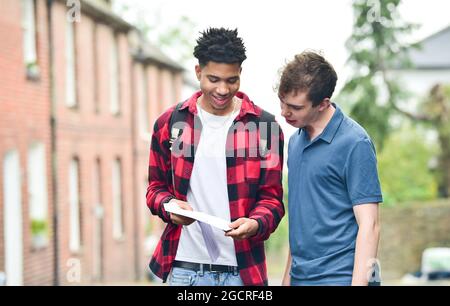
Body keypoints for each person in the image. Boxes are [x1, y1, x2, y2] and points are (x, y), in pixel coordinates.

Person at [146, 28, 284, 286]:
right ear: (198, 72)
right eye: (213, 79)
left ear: (240, 73)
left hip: (242, 273)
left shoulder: (265, 127)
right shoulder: (171, 123)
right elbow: (155, 189)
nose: (222, 89)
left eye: (231, 80)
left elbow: (273, 200)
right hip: (184, 269)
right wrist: (170, 206)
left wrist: (255, 223)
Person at [279, 51, 383, 286]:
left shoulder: (355, 143)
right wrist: (287, 279)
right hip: (301, 278)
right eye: (282, 102)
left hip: (341, 278)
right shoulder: (295, 142)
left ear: (323, 103)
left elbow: (371, 225)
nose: (284, 112)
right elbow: (301, 221)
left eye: (295, 107)